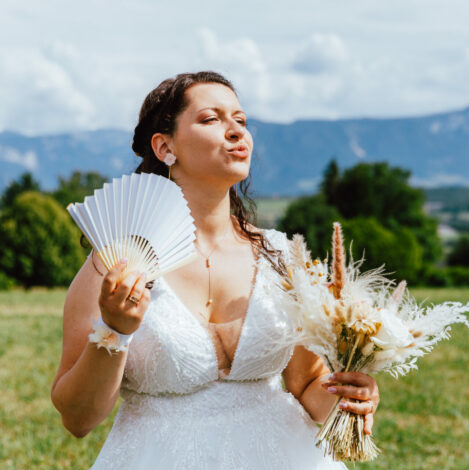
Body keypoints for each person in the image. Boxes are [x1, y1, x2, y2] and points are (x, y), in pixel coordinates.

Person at [50, 71, 380, 469]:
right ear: (164, 146)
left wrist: (349, 396)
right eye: (211, 119)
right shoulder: (115, 263)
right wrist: (114, 330)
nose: (236, 131)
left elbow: (307, 385)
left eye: (240, 120)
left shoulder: (282, 255)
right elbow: (78, 419)